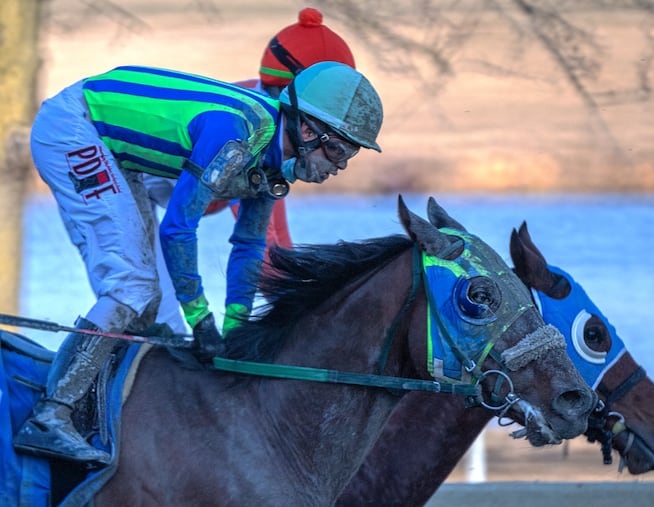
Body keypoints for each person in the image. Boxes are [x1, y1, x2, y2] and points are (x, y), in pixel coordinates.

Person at [13, 61, 383, 466]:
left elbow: (247, 245)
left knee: (148, 303)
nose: (341, 166)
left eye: (351, 155)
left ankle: (107, 410)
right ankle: (51, 415)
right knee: (131, 287)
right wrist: (201, 318)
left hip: (115, 144)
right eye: (339, 150)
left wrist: (236, 330)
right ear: (309, 130)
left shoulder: (270, 163)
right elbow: (177, 227)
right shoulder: (235, 138)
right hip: (75, 127)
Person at [147, 6, 357, 332]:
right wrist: (299, 312)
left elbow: (271, 227)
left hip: (198, 191)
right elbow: (263, 242)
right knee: (158, 309)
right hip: (147, 175)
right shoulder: (253, 129)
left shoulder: (290, 122)